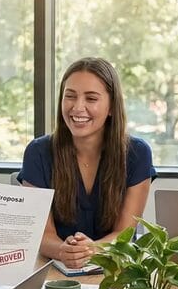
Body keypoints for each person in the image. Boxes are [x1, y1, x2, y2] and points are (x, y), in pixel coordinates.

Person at [19, 58, 155, 268]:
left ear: (111, 107)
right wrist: (65, 251)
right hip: (55, 271)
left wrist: (92, 250)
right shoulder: (38, 153)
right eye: (70, 96)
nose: (77, 107)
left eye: (91, 99)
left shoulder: (137, 153)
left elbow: (124, 233)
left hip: (117, 270)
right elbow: (42, 234)